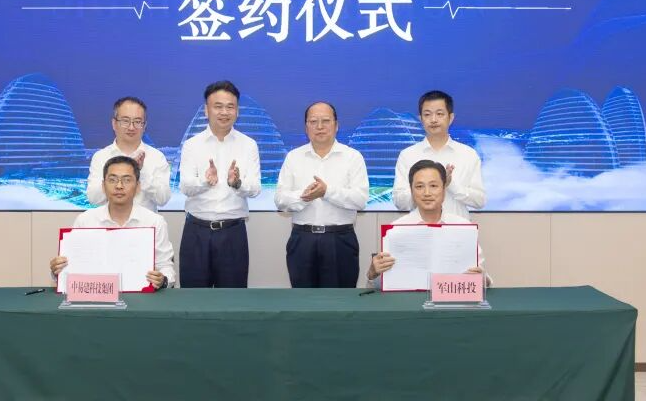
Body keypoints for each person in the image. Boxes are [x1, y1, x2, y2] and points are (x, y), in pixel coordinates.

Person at [275, 102, 369, 288]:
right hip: (302, 239)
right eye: (313, 121)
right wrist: (304, 197)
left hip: (340, 240)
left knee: (340, 300)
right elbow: (280, 200)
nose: (320, 126)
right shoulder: (293, 157)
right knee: (303, 300)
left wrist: (327, 192)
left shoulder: (353, 157)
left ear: (336, 125)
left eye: (325, 121)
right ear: (306, 127)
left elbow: (360, 200)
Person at [177, 80, 261, 288]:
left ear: (237, 111)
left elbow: (255, 188)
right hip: (196, 232)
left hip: (233, 233)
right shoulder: (192, 145)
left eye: (230, 107)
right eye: (218, 106)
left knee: (232, 299)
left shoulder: (249, 145)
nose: (224, 112)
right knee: (194, 298)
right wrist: (205, 182)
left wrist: (237, 183)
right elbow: (185, 187)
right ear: (206, 110)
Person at [51, 156, 175, 289]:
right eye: (112, 180)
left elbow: (166, 267)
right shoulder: (85, 221)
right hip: (97, 296)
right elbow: (71, 267)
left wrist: (162, 280)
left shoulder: (154, 222)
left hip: (142, 296)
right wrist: (57, 270)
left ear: (138, 187)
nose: (119, 186)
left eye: (127, 180)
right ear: (103, 186)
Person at [368, 159, 485, 288]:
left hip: (452, 298)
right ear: (412, 191)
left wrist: (482, 278)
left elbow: (482, 276)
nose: (427, 193)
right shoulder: (395, 230)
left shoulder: (464, 227)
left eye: (433, 186)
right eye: (419, 187)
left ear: (444, 189)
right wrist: (373, 273)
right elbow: (382, 285)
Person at [392, 90, 487, 217]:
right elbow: (399, 202)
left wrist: (451, 185)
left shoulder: (468, 154)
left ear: (451, 118)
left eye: (439, 114)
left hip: (457, 227)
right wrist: (422, 189)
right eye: (427, 114)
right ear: (420, 119)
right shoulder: (407, 155)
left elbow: (479, 201)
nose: (433, 120)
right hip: (418, 228)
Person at [85, 96, 171, 212]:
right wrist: (113, 179)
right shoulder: (101, 157)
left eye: (137, 122)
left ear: (144, 126)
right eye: (125, 121)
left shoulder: (156, 157)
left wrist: (141, 172)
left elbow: (163, 199)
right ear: (114, 124)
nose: (131, 127)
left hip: (145, 223)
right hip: (109, 222)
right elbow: (93, 199)